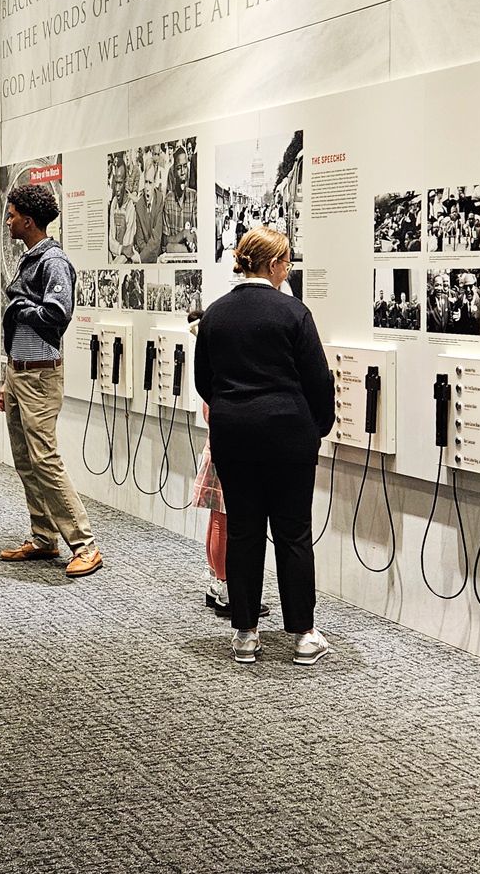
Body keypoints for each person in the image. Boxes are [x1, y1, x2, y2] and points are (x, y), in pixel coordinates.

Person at [194, 226, 335, 666]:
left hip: (234, 435)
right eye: (286, 261)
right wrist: (318, 427)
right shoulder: (294, 314)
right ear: (274, 265)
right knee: (293, 532)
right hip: (289, 435)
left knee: (243, 530)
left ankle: (245, 633)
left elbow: (203, 380)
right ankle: (303, 635)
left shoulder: (215, 314)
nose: (287, 268)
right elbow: (318, 380)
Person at [0, 184, 102, 578]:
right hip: (21, 370)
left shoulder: (53, 261)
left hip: (41, 375)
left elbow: (57, 315)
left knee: (45, 459)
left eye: (11, 215)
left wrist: (21, 307)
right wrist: (8, 376)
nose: (8, 221)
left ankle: (85, 544)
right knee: (26, 460)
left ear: (28, 218)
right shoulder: (32, 258)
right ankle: (43, 537)